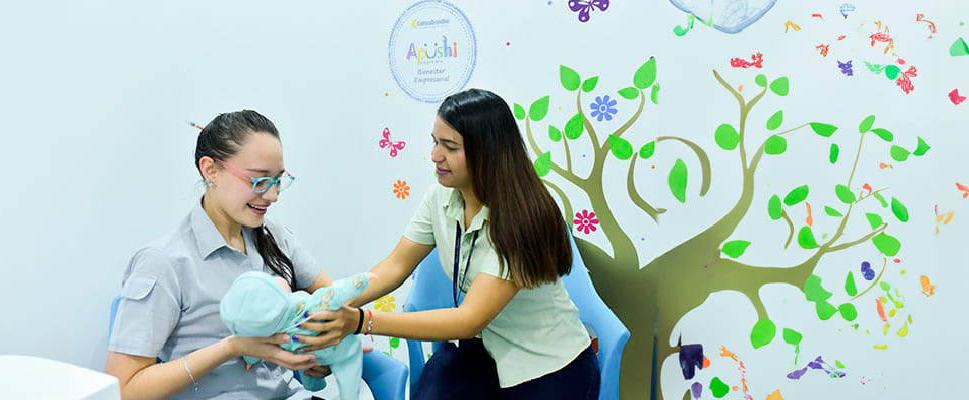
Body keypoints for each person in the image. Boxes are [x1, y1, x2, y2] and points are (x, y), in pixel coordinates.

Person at [296, 89, 601, 399]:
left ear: (488, 153)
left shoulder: (522, 220)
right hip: (480, 351)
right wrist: (333, 303)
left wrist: (361, 321)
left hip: (546, 362)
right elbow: (395, 266)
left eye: (450, 147)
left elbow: (469, 319)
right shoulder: (439, 198)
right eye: (435, 141)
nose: (434, 155)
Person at [105, 110, 336, 400]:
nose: (273, 195)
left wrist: (320, 352)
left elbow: (334, 298)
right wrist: (232, 347)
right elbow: (124, 389)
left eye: (278, 180)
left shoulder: (273, 235)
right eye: (259, 180)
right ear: (210, 170)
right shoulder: (164, 262)